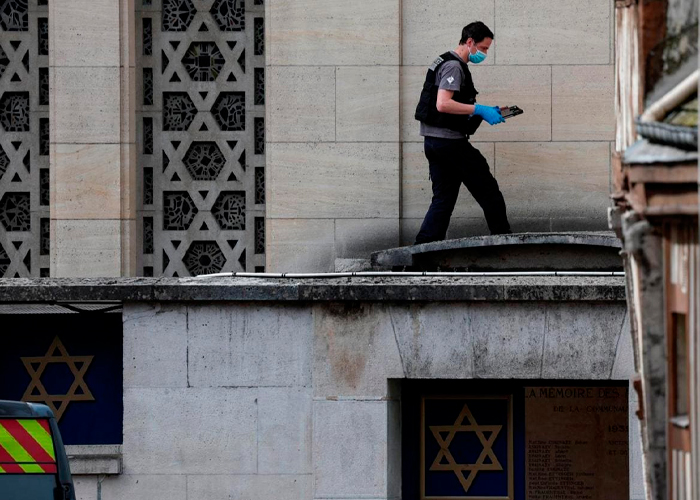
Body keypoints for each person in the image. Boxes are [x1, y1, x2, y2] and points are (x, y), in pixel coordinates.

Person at [414, 21, 511, 244]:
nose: (485, 53)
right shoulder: (454, 66)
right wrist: (479, 109)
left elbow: (451, 107)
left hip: (434, 142)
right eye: (484, 48)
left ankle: (421, 252)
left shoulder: (443, 60)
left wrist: (482, 113)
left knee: (443, 200)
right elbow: (443, 104)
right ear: (470, 42)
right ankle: (504, 242)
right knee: (489, 191)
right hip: (449, 144)